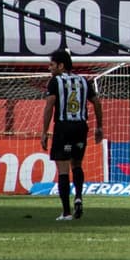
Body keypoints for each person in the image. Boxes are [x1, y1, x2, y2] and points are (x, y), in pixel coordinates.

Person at [42, 50, 98, 220]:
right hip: (81, 126)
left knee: (63, 169)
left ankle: (66, 212)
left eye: (52, 65)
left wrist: (44, 132)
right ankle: (78, 197)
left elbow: (49, 106)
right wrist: (100, 126)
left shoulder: (55, 82)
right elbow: (96, 102)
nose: (49, 68)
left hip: (63, 127)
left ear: (61, 65)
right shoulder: (83, 81)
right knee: (77, 164)